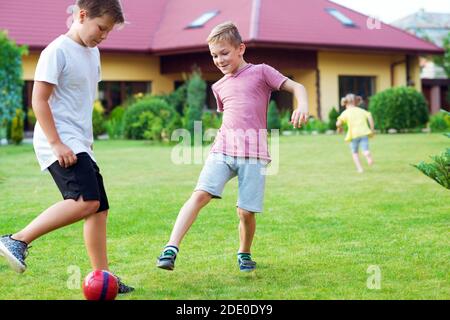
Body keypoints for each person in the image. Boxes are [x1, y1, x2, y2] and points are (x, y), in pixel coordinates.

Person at [0, 0, 133, 293]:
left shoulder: (93, 53)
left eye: (108, 31)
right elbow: (39, 100)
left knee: (99, 209)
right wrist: (57, 143)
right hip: (57, 141)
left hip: (78, 141)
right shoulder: (56, 51)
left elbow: (79, 100)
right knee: (87, 201)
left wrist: (86, 141)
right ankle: (17, 239)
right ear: (82, 15)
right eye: (101, 28)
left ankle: (104, 277)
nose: (104, 36)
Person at [156, 22, 309, 272]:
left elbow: (297, 86)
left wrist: (301, 104)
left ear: (240, 48)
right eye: (214, 55)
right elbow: (232, 115)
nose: (219, 60)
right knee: (200, 195)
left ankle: (244, 253)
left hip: (254, 155)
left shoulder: (261, 72)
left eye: (224, 53)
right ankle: (170, 248)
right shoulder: (218, 86)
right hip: (223, 151)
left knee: (245, 213)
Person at [336, 94, 375, 173]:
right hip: (364, 133)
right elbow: (369, 116)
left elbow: (338, 123)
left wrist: (340, 128)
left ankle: (360, 169)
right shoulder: (361, 111)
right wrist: (372, 129)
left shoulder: (345, 112)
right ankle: (367, 154)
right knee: (365, 149)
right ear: (356, 102)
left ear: (346, 103)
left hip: (353, 135)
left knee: (355, 152)